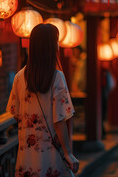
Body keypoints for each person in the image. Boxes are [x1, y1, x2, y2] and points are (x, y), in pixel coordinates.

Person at [6, 24, 79, 176]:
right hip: (51, 157)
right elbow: (59, 120)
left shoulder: (20, 77)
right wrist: (68, 153)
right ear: (51, 47)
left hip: (26, 157)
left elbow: (15, 113)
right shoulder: (57, 77)